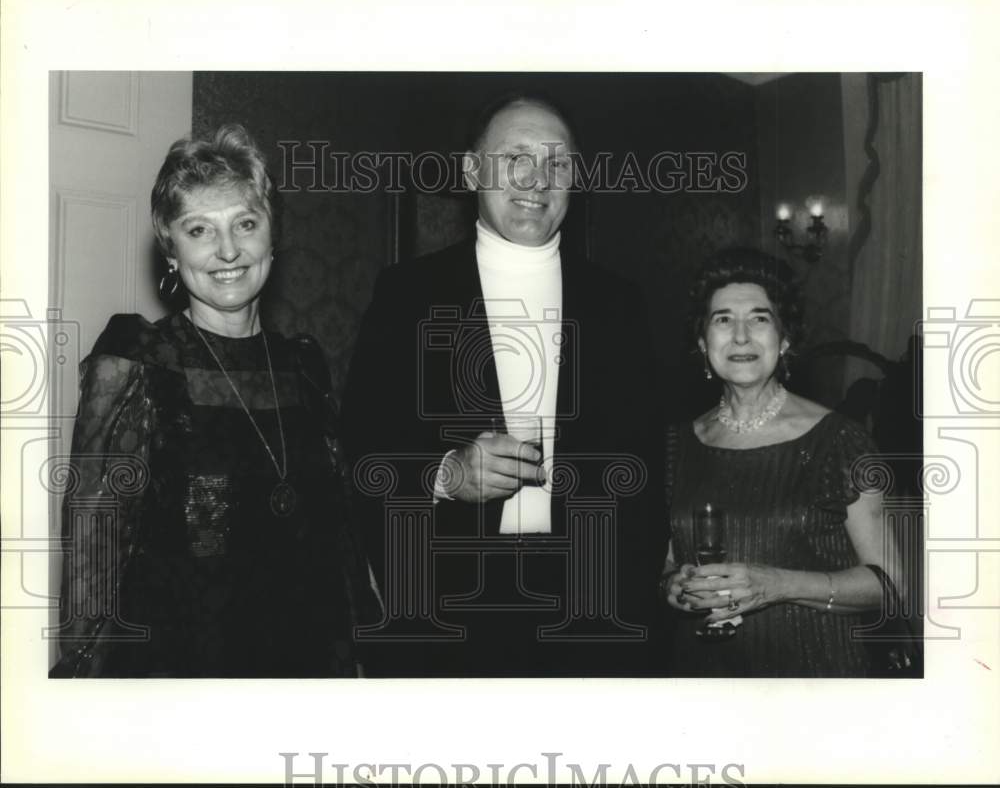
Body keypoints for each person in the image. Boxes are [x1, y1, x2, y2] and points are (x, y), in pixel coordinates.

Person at [341, 94, 666, 677]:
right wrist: (447, 473)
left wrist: (635, 596)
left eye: (557, 162)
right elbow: (363, 441)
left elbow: (648, 468)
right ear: (471, 172)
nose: (536, 180)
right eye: (515, 157)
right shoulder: (407, 293)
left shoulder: (621, 303)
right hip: (448, 604)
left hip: (593, 610)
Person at [51, 124, 380, 677]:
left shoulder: (302, 363)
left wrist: (364, 646)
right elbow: (94, 537)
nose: (228, 250)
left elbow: (339, 527)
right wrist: (83, 676)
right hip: (182, 667)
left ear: (272, 237)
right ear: (171, 251)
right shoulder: (138, 361)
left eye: (245, 224)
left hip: (309, 655)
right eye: (199, 229)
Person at [660, 248, 904, 677]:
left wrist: (776, 586)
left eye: (759, 318)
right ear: (702, 343)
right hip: (704, 673)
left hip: (816, 674)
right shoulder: (673, 444)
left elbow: (891, 585)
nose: (740, 336)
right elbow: (666, 564)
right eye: (722, 320)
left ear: (785, 339)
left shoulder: (840, 440)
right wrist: (674, 587)